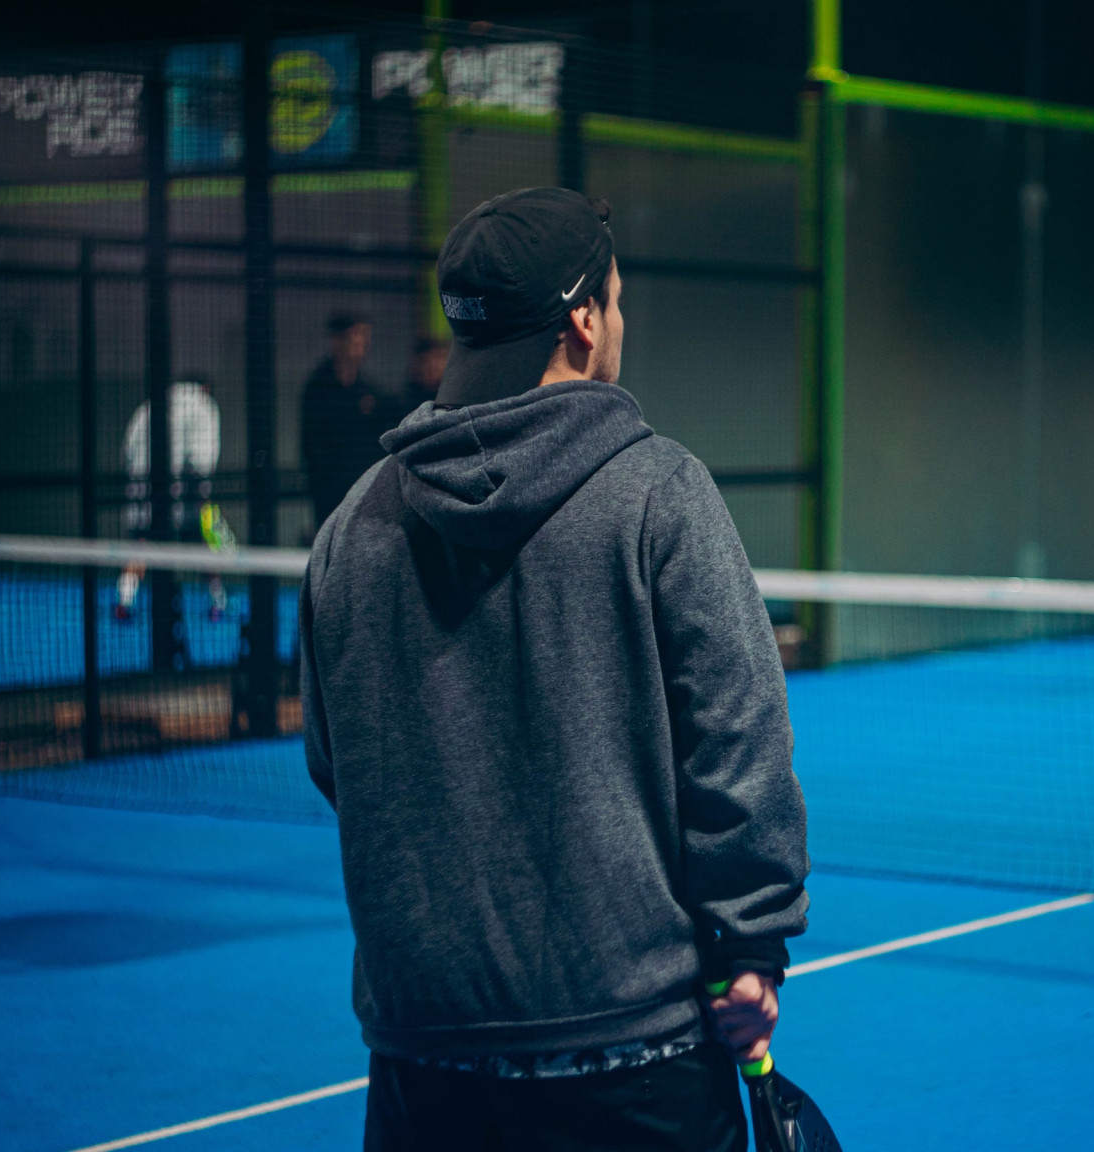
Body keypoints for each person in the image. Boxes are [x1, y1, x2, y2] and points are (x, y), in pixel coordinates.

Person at [301, 187, 807, 1151]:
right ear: (583, 322)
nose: (619, 320)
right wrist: (749, 943)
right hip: (639, 1062)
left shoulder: (349, 529)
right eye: (615, 301)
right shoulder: (663, 496)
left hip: (422, 1065)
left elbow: (339, 763)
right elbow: (739, 745)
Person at [119, 376, 226, 621]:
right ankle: (218, 602)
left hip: (142, 484)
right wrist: (202, 493)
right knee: (203, 542)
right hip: (184, 487)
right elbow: (202, 458)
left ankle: (124, 601)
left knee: (141, 542)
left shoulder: (151, 404)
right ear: (206, 388)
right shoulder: (204, 404)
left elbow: (129, 446)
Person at [300, 311, 391, 531]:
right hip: (330, 495)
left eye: (365, 338)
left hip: (364, 493)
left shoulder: (369, 391)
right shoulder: (318, 390)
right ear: (337, 341)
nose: (362, 345)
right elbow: (313, 446)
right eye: (356, 337)